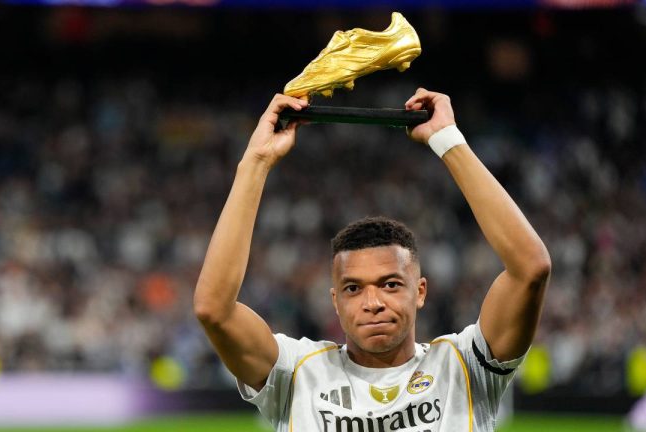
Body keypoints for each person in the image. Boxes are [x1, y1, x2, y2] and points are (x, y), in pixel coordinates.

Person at [194, 89, 551, 432]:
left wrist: (448, 141)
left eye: (390, 284)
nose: (373, 303)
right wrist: (255, 163)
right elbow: (214, 309)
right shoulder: (296, 372)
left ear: (420, 291)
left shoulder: (466, 366)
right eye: (353, 288)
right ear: (335, 300)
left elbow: (531, 268)